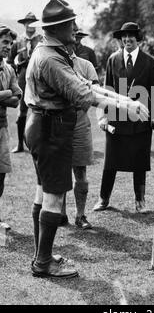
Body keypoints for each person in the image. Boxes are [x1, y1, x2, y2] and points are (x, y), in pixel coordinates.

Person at [25, 0, 148, 279]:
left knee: (43, 192)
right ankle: (43, 262)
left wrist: (124, 99)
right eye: (71, 23)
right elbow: (83, 95)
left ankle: (41, 255)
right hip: (50, 129)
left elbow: (88, 84)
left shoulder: (54, 51)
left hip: (45, 127)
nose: (75, 27)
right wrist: (128, 107)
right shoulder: (51, 58)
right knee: (53, 198)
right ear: (57, 27)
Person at [93, 22, 154, 213]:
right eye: (124, 36)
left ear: (137, 38)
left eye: (131, 36)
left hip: (141, 119)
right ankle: (103, 199)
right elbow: (107, 90)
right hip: (116, 118)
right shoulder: (113, 59)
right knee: (111, 162)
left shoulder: (148, 61)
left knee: (139, 162)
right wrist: (104, 117)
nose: (127, 39)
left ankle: (140, 201)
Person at [60, 42, 100, 229]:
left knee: (80, 171)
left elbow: (95, 94)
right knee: (60, 170)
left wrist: (85, 88)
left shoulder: (85, 65)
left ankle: (80, 215)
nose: (70, 39)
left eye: (74, 34)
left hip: (80, 121)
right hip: (58, 121)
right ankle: (59, 214)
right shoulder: (54, 62)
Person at [7, 12, 42, 153]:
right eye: (27, 22)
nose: (30, 25)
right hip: (22, 76)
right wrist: (15, 72)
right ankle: (20, 144)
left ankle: (39, 144)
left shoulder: (41, 39)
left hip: (38, 76)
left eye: (33, 22)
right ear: (24, 24)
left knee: (40, 108)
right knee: (22, 111)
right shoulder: (18, 41)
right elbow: (9, 60)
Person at [0, 25, 22, 226]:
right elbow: (12, 95)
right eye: (5, 42)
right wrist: (7, 94)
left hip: (2, 128)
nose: (8, 46)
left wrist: (5, 95)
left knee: (1, 174)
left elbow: (17, 99)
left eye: (10, 43)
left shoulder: (8, 69)